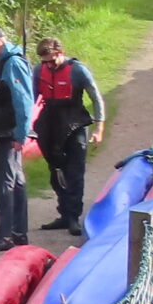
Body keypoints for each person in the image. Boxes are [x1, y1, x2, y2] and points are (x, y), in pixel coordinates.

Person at [33, 36, 108, 237]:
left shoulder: (78, 70)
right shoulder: (39, 71)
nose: (49, 65)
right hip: (50, 123)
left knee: (74, 172)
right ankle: (64, 214)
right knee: (56, 170)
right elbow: (30, 99)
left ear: (61, 53)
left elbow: (96, 98)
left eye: (52, 60)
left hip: (75, 122)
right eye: (45, 62)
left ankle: (74, 216)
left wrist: (99, 128)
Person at [0, 25, 36, 251]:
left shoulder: (13, 64)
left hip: (9, 133)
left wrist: (20, 134)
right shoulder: (5, 63)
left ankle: (6, 235)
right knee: (15, 182)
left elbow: (24, 102)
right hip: (5, 131)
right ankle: (18, 233)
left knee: (5, 184)